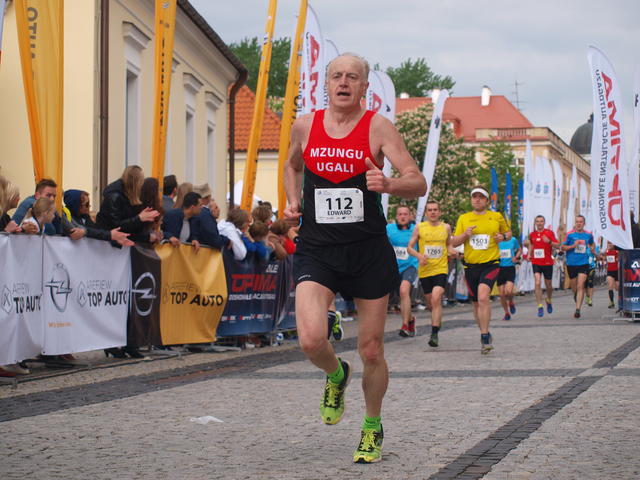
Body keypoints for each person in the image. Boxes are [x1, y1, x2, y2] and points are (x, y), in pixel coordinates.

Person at [283, 53, 426, 464]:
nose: (343, 82)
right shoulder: (305, 125)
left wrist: (390, 183)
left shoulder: (378, 127)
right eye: (336, 76)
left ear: (365, 87)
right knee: (311, 339)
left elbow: (417, 181)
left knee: (372, 350)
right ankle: (336, 373)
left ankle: (371, 425)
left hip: (367, 250)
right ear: (326, 84)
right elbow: (292, 166)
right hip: (318, 248)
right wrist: (293, 201)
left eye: (352, 77)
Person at [96, 165, 160, 357]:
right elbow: (118, 227)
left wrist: (144, 228)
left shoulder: (128, 197)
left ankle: (129, 343)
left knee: (126, 299)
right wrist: (140, 219)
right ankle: (116, 342)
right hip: (112, 252)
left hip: (124, 251)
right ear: (135, 182)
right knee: (117, 299)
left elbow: (130, 229)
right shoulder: (115, 197)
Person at [451, 186, 511, 354]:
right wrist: (465, 235)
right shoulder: (464, 218)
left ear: (487, 200)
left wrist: (502, 237)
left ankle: (484, 336)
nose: (477, 199)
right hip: (470, 266)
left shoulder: (496, 216)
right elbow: (454, 242)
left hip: (491, 263)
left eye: (480, 197)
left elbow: (509, 233)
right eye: (474, 197)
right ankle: (484, 331)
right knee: (476, 303)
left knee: (483, 297)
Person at [408, 200, 452, 347]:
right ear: (426, 213)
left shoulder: (446, 227)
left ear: (439, 212)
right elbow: (409, 248)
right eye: (430, 210)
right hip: (425, 270)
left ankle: (434, 334)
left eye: (435, 210)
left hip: (441, 269)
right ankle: (437, 320)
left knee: (436, 297)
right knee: (431, 304)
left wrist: (452, 251)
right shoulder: (419, 227)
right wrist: (419, 256)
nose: (433, 212)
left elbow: (448, 245)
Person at [386, 205, 418, 337]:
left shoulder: (416, 229)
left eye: (405, 214)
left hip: (410, 265)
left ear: (410, 216)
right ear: (396, 216)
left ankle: (404, 326)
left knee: (404, 291)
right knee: (402, 297)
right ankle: (410, 319)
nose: (403, 217)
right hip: (394, 267)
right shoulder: (389, 229)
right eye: (400, 214)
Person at [63, 190, 133, 247]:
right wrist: (110, 235)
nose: (89, 206)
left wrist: (114, 239)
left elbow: (96, 231)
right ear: (76, 205)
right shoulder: (67, 217)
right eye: (87, 204)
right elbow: (86, 231)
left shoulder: (85, 217)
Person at [561, 215, 595, 318]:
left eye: (581, 222)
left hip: (583, 263)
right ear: (575, 223)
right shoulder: (570, 234)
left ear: (584, 223)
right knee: (574, 287)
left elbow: (592, 243)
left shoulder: (588, 235)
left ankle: (577, 310)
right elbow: (563, 247)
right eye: (577, 222)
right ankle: (576, 295)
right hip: (571, 264)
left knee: (581, 285)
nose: (579, 224)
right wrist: (573, 246)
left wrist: (592, 249)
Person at [527, 215, 560, 317]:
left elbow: (557, 245)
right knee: (537, 282)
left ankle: (548, 299)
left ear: (544, 223)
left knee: (548, 285)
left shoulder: (549, 233)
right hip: (536, 262)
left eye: (541, 221)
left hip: (547, 262)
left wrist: (549, 241)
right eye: (537, 221)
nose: (539, 223)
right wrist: (529, 254)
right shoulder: (532, 234)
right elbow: (531, 244)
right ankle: (540, 306)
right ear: (535, 223)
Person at [497, 232, 521, 321]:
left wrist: (516, 257)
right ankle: (506, 313)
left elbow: (519, 250)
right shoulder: (497, 240)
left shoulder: (513, 240)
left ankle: (511, 301)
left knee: (509, 291)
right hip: (499, 268)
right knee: (501, 294)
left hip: (510, 268)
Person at [604, 241, 619, 309]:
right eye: (608, 243)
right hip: (610, 271)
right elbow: (603, 257)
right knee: (610, 286)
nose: (609, 245)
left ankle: (621, 301)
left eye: (611, 243)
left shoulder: (617, 252)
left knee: (617, 288)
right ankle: (612, 302)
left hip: (617, 271)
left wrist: (618, 259)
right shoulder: (607, 252)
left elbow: (619, 259)